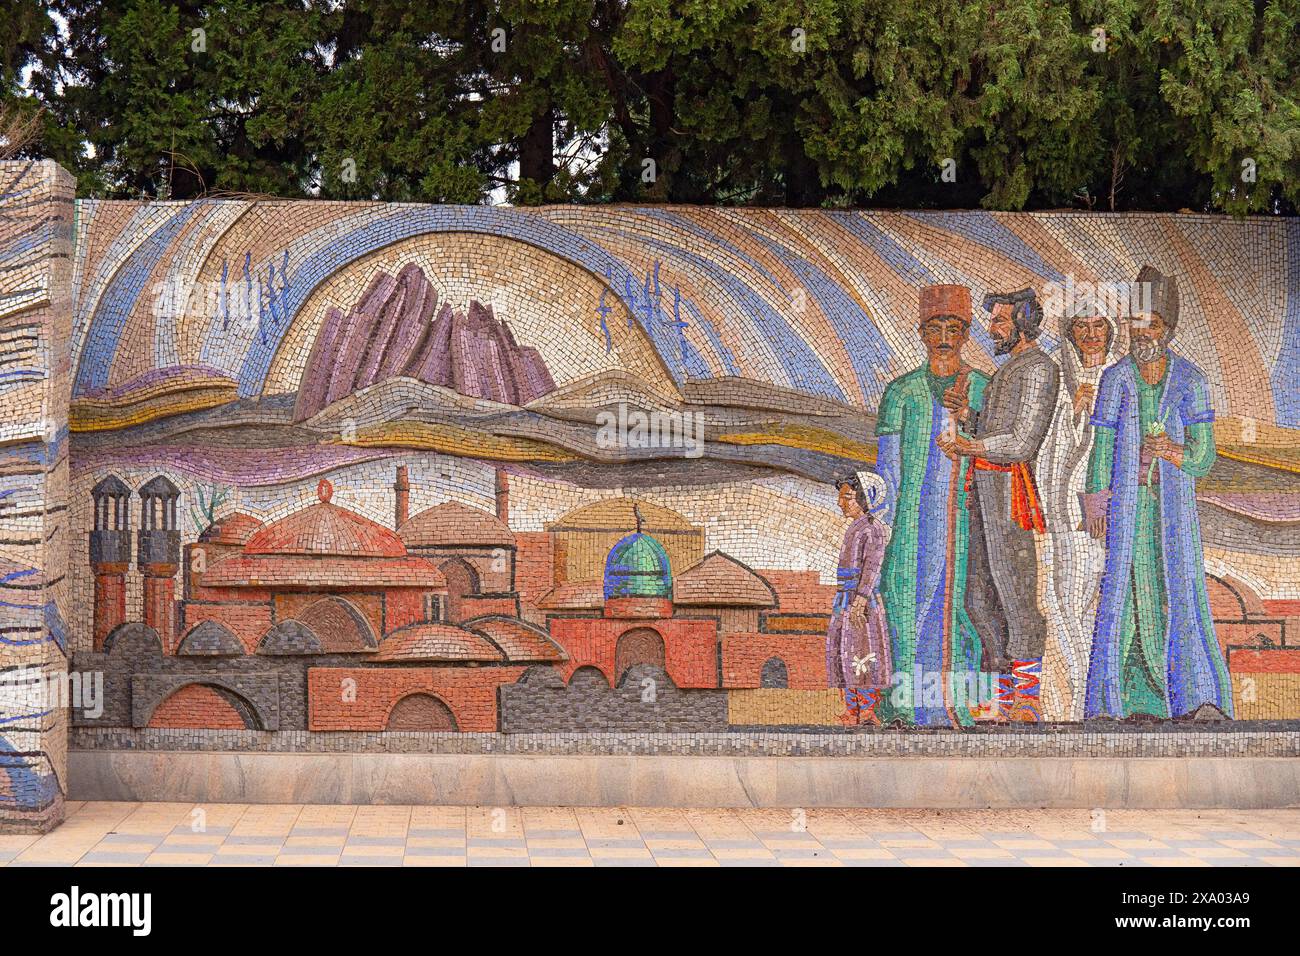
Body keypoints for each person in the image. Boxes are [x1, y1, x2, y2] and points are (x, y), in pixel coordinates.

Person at [1080, 266, 1233, 720]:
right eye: (1133, 322)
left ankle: (1193, 697)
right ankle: (1119, 702)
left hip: (1171, 514)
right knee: (1123, 595)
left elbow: (1204, 457)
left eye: (1150, 323)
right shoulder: (1115, 379)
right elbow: (1101, 445)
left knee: (1178, 590)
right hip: (1128, 511)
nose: (1139, 332)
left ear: (1166, 328)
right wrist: (1095, 500)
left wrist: (1172, 452)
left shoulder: (1191, 380)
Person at [939, 288, 1060, 721]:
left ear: (1025, 325)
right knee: (978, 598)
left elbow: (1022, 441)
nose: (992, 329)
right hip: (982, 491)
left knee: (1015, 596)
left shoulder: (1040, 370)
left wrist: (969, 444)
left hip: (1009, 494)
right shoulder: (1007, 370)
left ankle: (1026, 699)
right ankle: (1002, 694)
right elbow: (995, 427)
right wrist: (969, 414)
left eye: (1001, 321)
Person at [874, 284, 990, 727]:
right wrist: (883, 525)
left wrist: (971, 418)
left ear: (965, 334)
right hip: (910, 525)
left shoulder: (981, 387)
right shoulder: (901, 392)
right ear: (923, 333)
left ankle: (954, 705)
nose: (945, 336)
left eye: (954, 328)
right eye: (936, 327)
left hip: (966, 522)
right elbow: (888, 469)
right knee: (904, 605)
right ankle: (905, 704)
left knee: (961, 608)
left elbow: (998, 450)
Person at [1036, 294, 1126, 721]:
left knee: (1095, 599)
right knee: (1060, 602)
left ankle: (1095, 696)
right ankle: (1078, 695)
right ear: (1070, 333)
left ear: (1112, 331)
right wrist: (1075, 412)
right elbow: (1049, 449)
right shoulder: (1060, 379)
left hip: (1105, 508)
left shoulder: (1122, 376)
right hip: (1063, 510)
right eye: (1081, 327)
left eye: (1099, 326)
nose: (1091, 335)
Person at [826, 473, 892, 725]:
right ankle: (851, 708)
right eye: (840, 497)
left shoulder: (872, 528)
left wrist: (860, 600)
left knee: (864, 650)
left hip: (860, 601)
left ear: (864, 499)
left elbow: (872, 567)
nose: (841, 502)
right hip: (845, 598)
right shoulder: (854, 528)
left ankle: (866, 710)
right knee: (844, 650)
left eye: (847, 497)